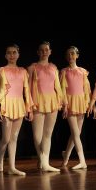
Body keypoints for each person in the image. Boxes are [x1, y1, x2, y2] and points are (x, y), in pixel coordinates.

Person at [0, 44, 33, 176]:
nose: (12, 55)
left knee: (14, 137)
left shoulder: (23, 71)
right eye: (9, 53)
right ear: (5, 55)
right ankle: (0, 159)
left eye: (14, 52)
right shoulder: (2, 70)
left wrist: (29, 108)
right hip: (7, 104)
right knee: (6, 138)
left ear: (18, 54)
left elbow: (27, 90)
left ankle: (12, 167)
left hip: (19, 104)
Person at [28, 41, 62, 172]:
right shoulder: (33, 67)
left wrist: (61, 101)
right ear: (38, 52)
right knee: (37, 135)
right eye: (41, 50)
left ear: (50, 52)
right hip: (38, 101)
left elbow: (57, 86)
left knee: (48, 134)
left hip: (52, 101)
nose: (44, 52)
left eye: (46, 50)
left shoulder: (54, 67)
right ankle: (43, 160)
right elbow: (28, 88)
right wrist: (29, 105)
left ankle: (44, 162)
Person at [60, 46, 94, 170]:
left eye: (73, 54)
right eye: (68, 54)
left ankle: (66, 156)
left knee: (76, 133)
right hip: (70, 102)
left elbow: (87, 89)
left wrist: (91, 104)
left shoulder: (82, 71)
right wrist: (64, 105)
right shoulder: (64, 71)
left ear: (77, 55)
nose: (70, 56)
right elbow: (62, 89)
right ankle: (82, 161)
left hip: (80, 102)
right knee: (75, 133)